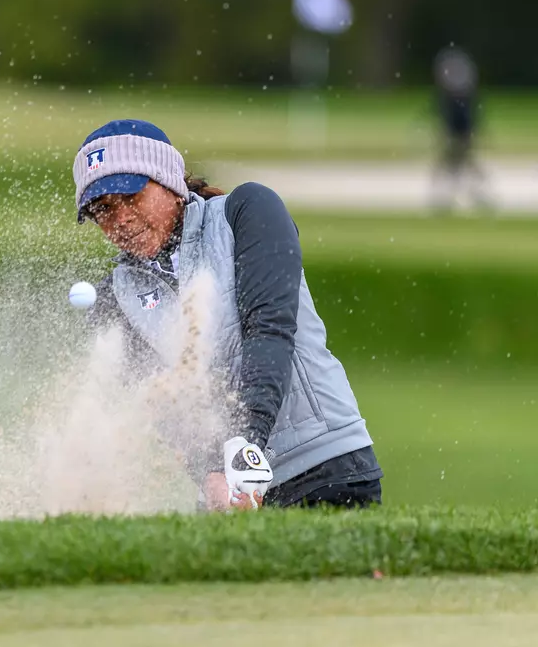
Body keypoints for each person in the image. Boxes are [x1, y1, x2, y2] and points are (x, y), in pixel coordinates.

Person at [73, 119, 383, 510]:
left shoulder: (246, 212)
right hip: (234, 491)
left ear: (168, 182)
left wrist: (246, 448)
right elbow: (168, 405)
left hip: (324, 466)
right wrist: (211, 473)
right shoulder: (116, 296)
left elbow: (269, 330)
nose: (120, 220)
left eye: (131, 197)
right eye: (102, 210)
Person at [430, 47, 492, 212]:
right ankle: (448, 196)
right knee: (458, 164)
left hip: (460, 133)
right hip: (459, 133)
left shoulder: (457, 96)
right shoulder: (461, 95)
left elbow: (463, 118)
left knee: (458, 164)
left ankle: (470, 194)